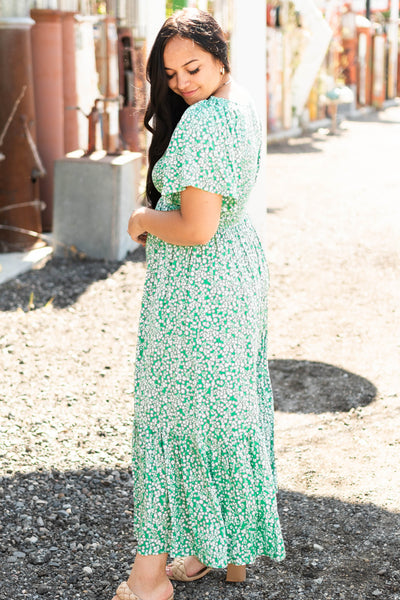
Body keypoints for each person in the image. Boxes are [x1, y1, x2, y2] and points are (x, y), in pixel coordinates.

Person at [112, 8, 285, 600]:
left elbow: (195, 226)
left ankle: (149, 577)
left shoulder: (203, 124)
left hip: (198, 289)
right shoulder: (238, 104)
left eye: (193, 66)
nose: (182, 81)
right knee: (225, 410)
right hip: (235, 278)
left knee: (171, 420)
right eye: (171, 72)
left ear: (220, 55)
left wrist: (140, 218)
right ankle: (227, 551)